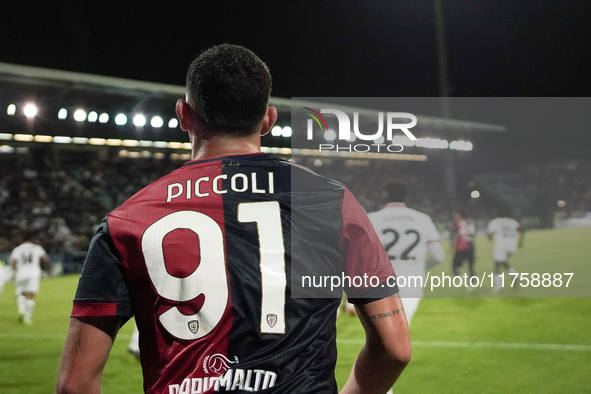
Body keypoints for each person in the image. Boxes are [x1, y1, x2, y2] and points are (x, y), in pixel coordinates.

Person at [57, 44, 410, 394]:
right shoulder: (333, 202)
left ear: (183, 114)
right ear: (268, 119)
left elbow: (75, 384)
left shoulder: (126, 220)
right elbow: (394, 350)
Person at [368, 180, 445, 325]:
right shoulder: (423, 219)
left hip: (379, 287)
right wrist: (418, 266)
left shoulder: (371, 219)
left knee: (381, 339)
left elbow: (359, 258)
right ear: (406, 198)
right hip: (411, 284)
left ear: (384, 197)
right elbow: (439, 256)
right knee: (399, 337)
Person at [10, 234, 50, 324]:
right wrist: (47, 269)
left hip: (21, 273)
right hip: (33, 273)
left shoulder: (17, 249)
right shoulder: (36, 248)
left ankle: (21, 310)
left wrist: (14, 271)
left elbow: (13, 262)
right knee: (31, 296)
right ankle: (27, 318)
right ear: (31, 239)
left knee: (21, 293)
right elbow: (45, 259)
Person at [487, 209, 525, 292]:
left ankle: (499, 286)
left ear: (497, 214)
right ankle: (514, 275)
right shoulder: (512, 221)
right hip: (512, 245)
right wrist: (521, 241)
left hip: (502, 245)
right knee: (504, 262)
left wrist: (489, 237)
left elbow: (490, 234)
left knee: (497, 264)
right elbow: (522, 229)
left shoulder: (495, 222)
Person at [451, 210, 476, 279]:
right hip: (470, 245)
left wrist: (453, 245)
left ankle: (460, 277)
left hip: (462, 246)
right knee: (471, 267)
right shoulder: (470, 221)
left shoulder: (458, 222)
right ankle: (472, 284)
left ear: (460, 215)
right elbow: (473, 233)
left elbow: (455, 234)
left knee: (454, 267)